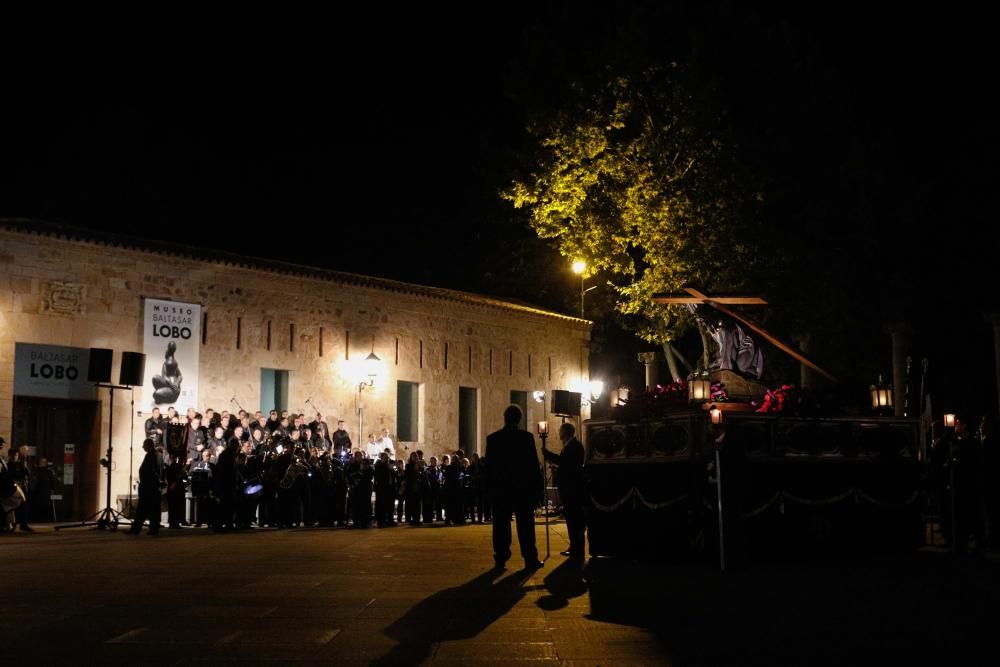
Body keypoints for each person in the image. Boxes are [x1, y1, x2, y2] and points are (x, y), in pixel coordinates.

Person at [484, 404, 543, 570]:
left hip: (501, 489)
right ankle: (530, 558)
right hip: (522, 488)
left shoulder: (493, 439)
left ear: (505, 418)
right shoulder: (526, 438)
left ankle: (500, 558)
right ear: (519, 419)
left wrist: (488, 489)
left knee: (500, 525)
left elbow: (488, 467)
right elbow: (533, 465)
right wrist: (538, 488)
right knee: (525, 525)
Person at [543, 422, 586, 561]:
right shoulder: (568, 446)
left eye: (560, 430)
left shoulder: (575, 446)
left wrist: (548, 455)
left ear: (566, 432)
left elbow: (568, 464)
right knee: (571, 519)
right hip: (567, 489)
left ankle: (577, 548)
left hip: (572, 489)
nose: (559, 433)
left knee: (575, 520)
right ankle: (574, 546)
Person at [129, 438, 163, 535]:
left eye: (144, 445)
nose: (143, 447)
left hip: (149, 487)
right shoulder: (157, 455)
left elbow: (152, 471)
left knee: (142, 509)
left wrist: (152, 482)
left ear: (148, 445)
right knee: (153, 510)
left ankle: (136, 529)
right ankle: (153, 529)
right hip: (153, 487)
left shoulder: (152, 455)